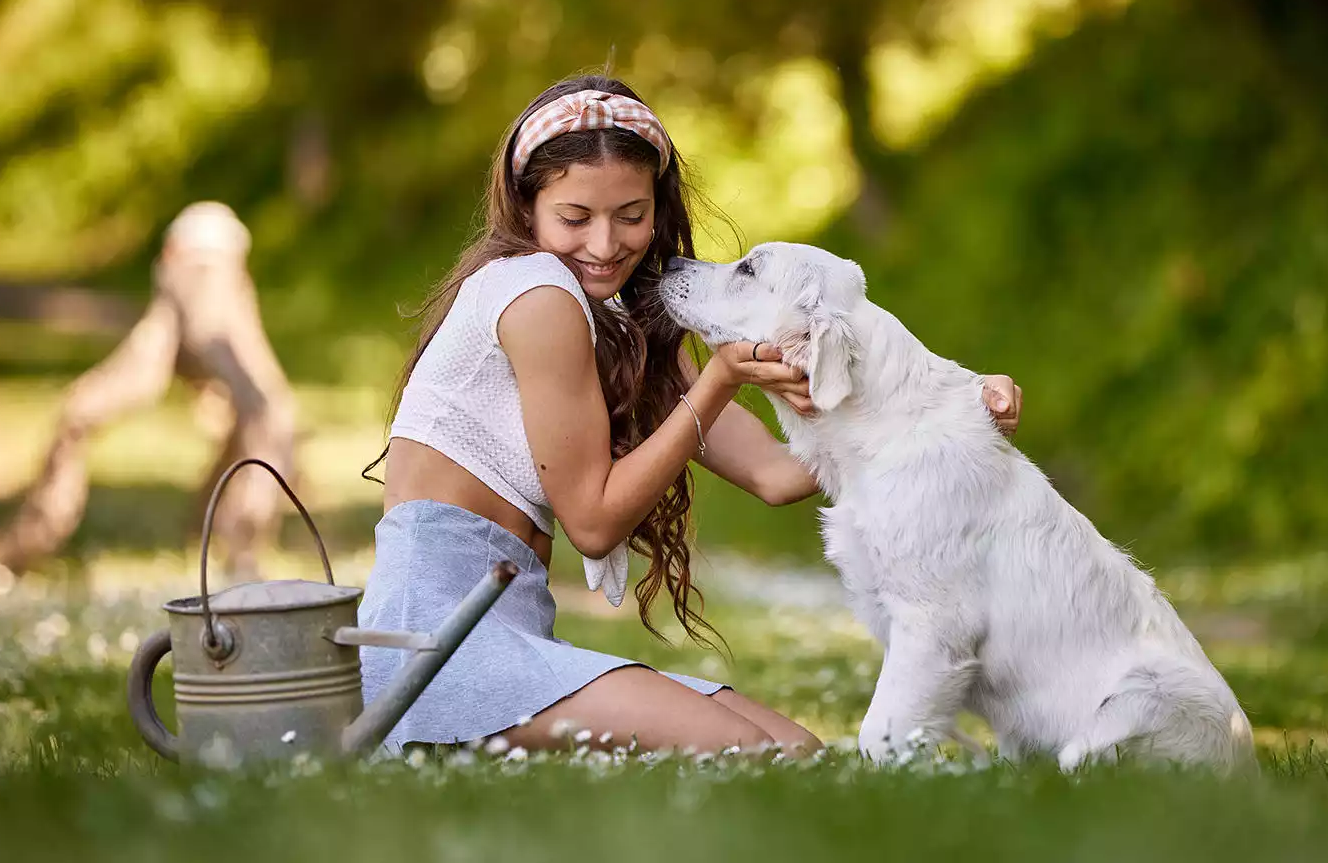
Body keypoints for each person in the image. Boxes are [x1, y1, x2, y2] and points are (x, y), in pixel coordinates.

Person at [357, 74, 1024, 760]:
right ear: (528, 208)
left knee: (797, 748)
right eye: (575, 218)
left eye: (631, 215)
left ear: (658, 206)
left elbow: (777, 474)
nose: (605, 243)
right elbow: (593, 523)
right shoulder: (536, 295)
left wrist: (960, 407)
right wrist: (718, 379)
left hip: (507, 634)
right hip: (436, 649)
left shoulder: (615, 321)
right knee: (766, 756)